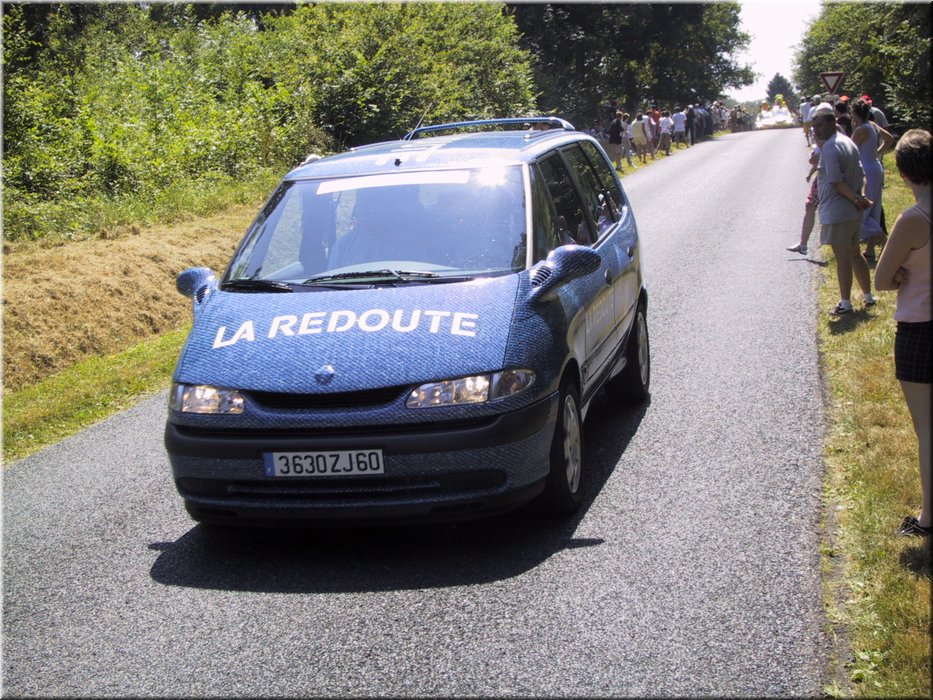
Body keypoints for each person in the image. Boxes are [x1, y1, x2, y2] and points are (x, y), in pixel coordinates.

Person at [873, 129, 932, 537]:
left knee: (926, 427)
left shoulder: (913, 219)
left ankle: (928, 517)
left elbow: (881, 280)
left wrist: (900, 276)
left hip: (919, 329)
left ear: (904, 173)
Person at [810, 102, 876, 315]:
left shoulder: (830, 148)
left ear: (832, 123)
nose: (816, 130)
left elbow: (837, 182)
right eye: (814, 126)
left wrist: (857, 199)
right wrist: (860, 197)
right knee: (855, 254)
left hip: (838, 212)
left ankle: (845, 303)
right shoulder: (848, 142)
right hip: (852, 212)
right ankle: (868, 296)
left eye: (820, 125)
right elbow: (861, 174)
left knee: (843, 259)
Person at [851, 97, 895, 261]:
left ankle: (885, 240)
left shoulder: (861, 130)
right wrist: (877, 153)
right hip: (876, 167)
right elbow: (889, 138)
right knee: (874, 208)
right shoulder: (873, 125)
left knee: (863, 209)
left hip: (866, 171)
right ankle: (870, 250)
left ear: (855, 113)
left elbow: (850, 149)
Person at [787, 138, 824, 255]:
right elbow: (817, 163)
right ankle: (803, 244)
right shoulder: (828, 140)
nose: (815, 134)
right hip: (822, 178)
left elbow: (814, 160)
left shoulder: (828, 141)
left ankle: (824, 241)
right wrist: (810, 174)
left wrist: (815, 153)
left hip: (826, 180)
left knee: (817, 207)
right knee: (810, 205)